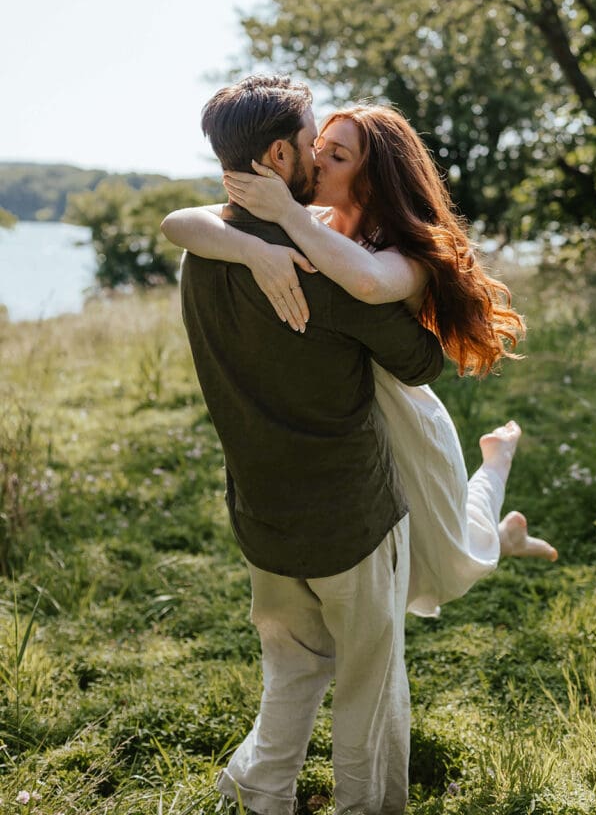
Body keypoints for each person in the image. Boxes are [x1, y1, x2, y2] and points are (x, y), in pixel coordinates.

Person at [163, 101, 557, 617]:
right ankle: (505, 534)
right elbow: (178, 223)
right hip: (353, 414)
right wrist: (253, 250)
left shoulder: (404, 252)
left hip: (406, 415)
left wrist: (283, 214)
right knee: (410, 555)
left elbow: (364, 282)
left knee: (450, 552)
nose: (317, 161)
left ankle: (497, 465)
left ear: (371, 181)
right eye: (318, 147)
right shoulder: (316, 220)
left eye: (338, 156)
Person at [176, 75, 446, 815]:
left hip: (261, 518)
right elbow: (423, 365)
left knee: (291, 670)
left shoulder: (204, 257)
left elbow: (183, 222)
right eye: (309, 146)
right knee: (367, 683)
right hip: (350, 521)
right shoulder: (319, 270)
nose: (319, 160)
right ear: (276, 155)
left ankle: (261, 793)